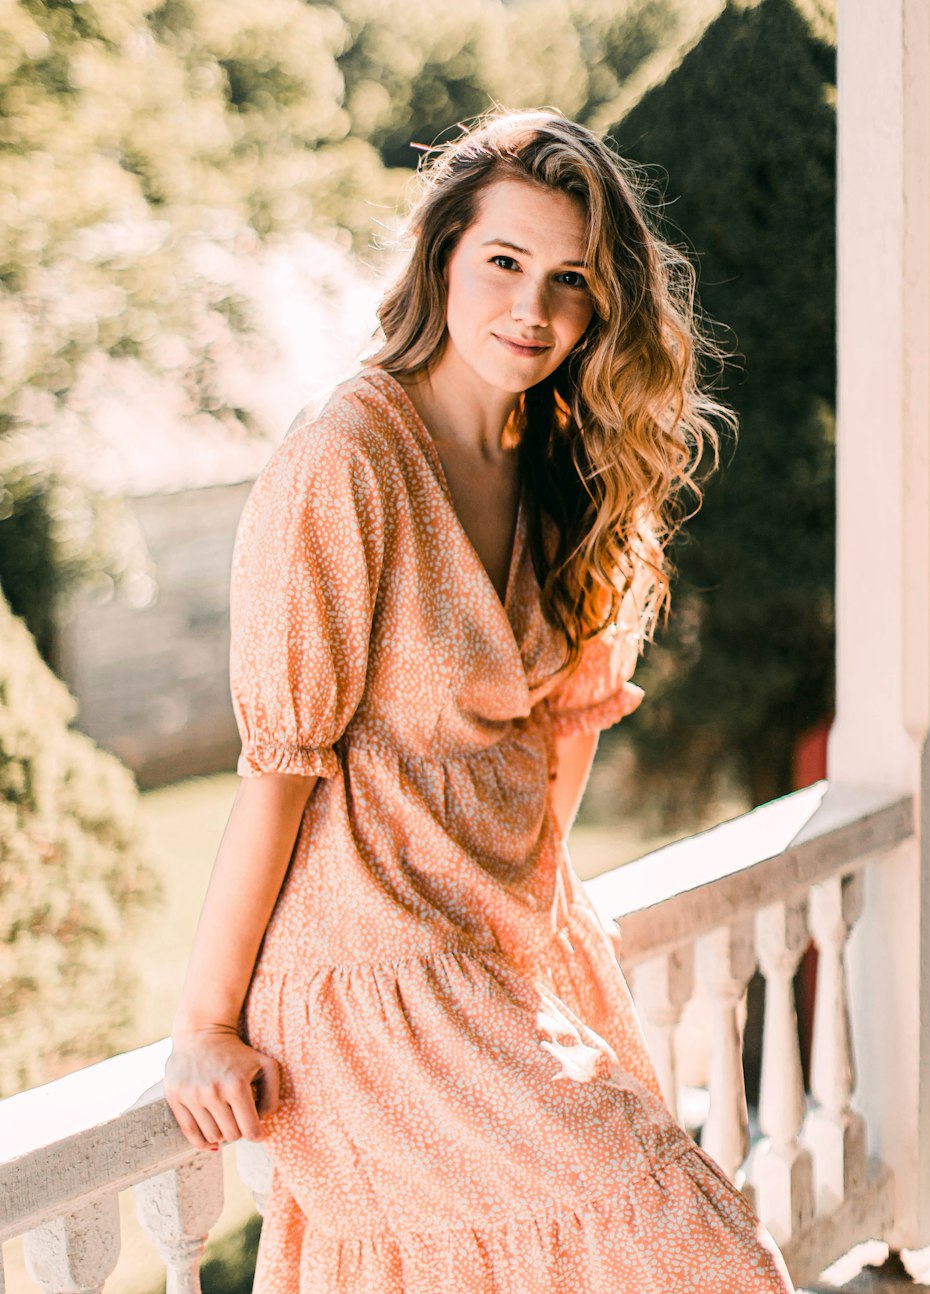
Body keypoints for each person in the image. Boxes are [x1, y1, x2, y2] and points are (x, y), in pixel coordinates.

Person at [164, 107, 794, 1293]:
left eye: (570, 282)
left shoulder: (562, 459)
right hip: (373, 978)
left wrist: (540, 936)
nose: (534, 311)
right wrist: (204, 1021)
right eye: (505, 262)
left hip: (507, 951)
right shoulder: (345, 459)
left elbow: (562, 735)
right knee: (701, 1252)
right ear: (443, 253)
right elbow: (279, 765)